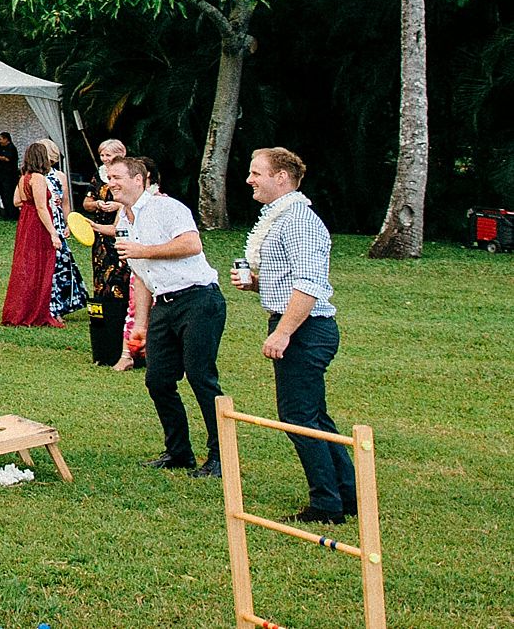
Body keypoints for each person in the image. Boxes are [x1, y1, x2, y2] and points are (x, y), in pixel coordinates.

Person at [237, 146, 356, 524]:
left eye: (256, 173)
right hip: (297, 324)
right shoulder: (281, 218)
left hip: (306, 329)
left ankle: (326, 504)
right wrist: (258, 284)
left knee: (298, 417)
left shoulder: (298, 220)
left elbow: (309, 283)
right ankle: (347, 494)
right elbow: (291, 278)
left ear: (281, 178)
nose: (249, 179)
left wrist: (284, 333)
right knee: (313, 415)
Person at [111, 154, 225, 477]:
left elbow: (192, 244)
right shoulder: (123, 221)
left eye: (118, 176)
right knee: (158, 379)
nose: (111, 183)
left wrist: (143, 250)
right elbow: (142, 277)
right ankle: (178, 453)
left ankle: (221, 456)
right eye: (109, 177)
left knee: (201, 376)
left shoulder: (166, 207)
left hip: (199, 299)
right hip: (164, 303)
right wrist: (141, 325)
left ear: (139, 179)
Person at [1, 139, 86, 326]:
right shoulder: (38, 178)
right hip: (41, 223)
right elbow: (41, 207)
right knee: (44, 265)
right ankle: (42, 308)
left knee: (29, 264)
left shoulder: (24, 177)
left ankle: (27, 306)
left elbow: (16, 201)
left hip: (27, 222)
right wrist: (53, 232)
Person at [83, 137, 138, 369]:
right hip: (101, 238)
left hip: (122, 234)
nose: (106, 160)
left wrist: (118, 206)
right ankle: (105, 336)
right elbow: (86, 202)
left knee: (122, 282)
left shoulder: (131, 176)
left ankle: (126, 333)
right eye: (103, 155)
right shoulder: (98, 177)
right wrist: (96, 206)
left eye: (110, 156)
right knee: (102, 282)